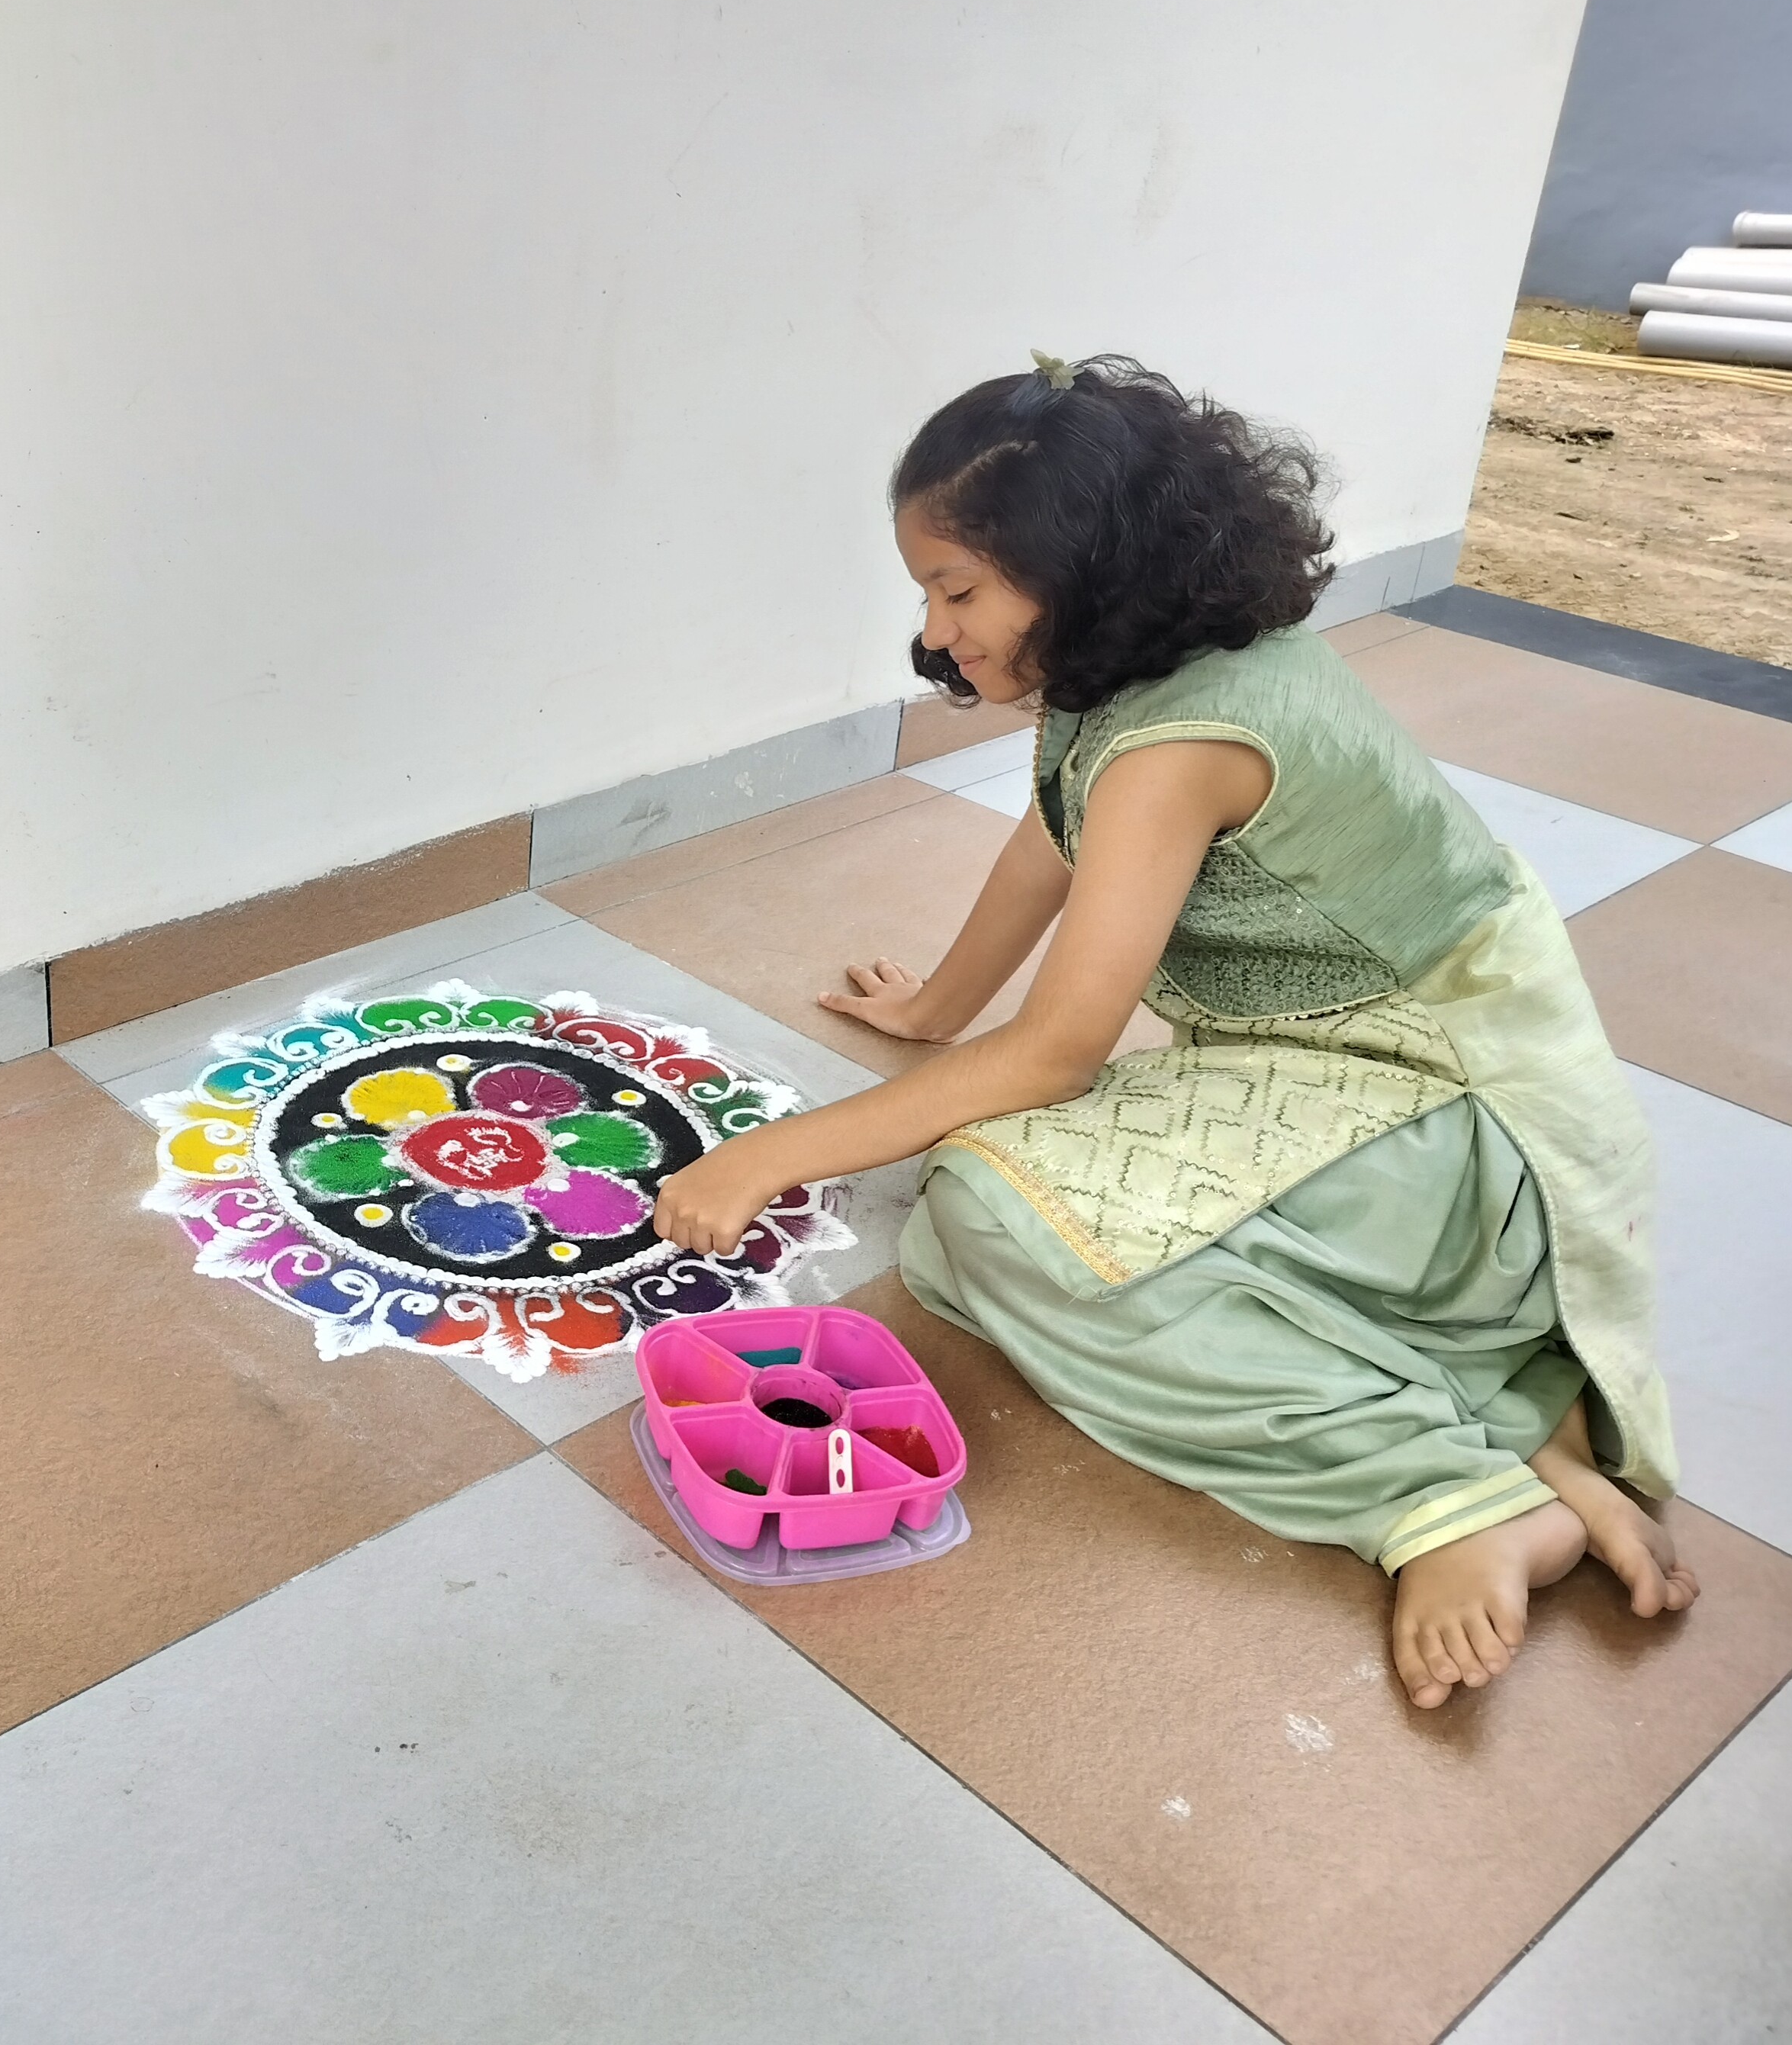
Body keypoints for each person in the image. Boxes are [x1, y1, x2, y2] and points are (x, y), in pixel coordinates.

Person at [652, 353, 1693, 1709]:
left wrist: (768, 1155)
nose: (936, 632)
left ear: (1078, 568)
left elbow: (1057, 1055)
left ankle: (1437, 1491)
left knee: (993, 1223)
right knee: (986, 1215)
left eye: (958, 591)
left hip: (1467, 1133)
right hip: (1390, 1085)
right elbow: (1058, 829)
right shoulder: (1149, 668)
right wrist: (936, 1008)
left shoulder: (1175, 740)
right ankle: (1511, 1428)